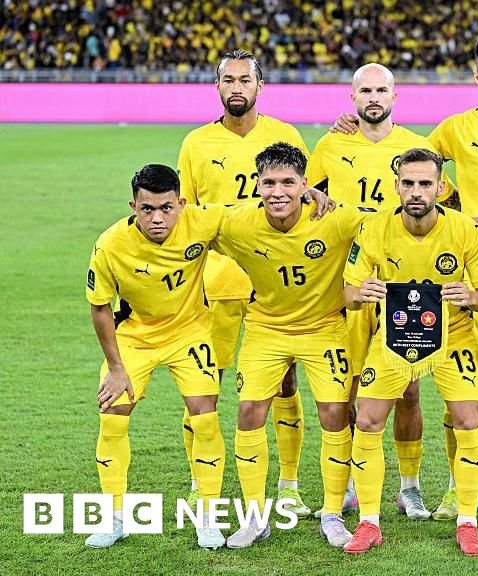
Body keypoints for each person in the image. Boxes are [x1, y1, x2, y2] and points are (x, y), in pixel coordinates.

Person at [334, 33, 478, 523]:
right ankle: (452, 488)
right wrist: (354, 125)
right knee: (455, 385)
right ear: (475, 76)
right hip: (466, 274)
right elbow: (414, 164)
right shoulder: (453, 129)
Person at [308, 62, 449, 520]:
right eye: (365, 91)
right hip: (349, 283)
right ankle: (351, 483)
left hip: (402, 286)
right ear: (352, 98)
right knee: (348, 388)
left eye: (381, 90)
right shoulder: (330, 145)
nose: (373, 98)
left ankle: (410, 487)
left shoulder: (415, 147)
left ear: (394, 96)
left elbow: (444, 208)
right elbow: (306, 195)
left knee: (408, 390)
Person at [215, 143, 370, 549]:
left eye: (288, 182)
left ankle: (332, 515)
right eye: (269, 183)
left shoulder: (334, 218)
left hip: (325, 328)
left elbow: (387, 222)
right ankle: (255, 519)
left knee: (335, 414)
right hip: (265, 329)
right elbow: (189, 221)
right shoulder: (237, 224)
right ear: (257, 185)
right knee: (249, 412)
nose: (278, 192)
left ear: (305, 184)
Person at [342, 148, 478, 556]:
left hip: (453, 337)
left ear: (441, 187)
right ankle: (369, 522)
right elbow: (348, 292)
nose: (416, 191)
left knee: (468, 419)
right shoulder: (375, 228)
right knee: (368, 419)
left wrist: (470, 296)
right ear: (396, 186)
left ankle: (467, 523)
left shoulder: (464, 230)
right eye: (408, 183)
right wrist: (361, 293)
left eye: (425, 183)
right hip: (393, 338)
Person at [176, 49, 312, 516]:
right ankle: (201, 483)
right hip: (216, 285)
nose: (237, 87)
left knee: (285, 383)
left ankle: (289, 484)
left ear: (259, 86)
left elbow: (308, 200)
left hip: (277, 285)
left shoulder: (285, 136)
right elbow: (185, 218)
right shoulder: (196, 144)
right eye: (229, 80)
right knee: (203, 385)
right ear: (217, 86)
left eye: (245, 80)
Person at [85, 164, 227, 550]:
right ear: (134, 206)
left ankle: (208, 516)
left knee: (205, 415)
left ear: (181, 203)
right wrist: (116, 368)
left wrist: (308, 196)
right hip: (136, 336)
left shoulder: (201, 221)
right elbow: (100, 308)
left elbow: (253, 214)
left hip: (189, 332)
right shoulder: (111, 244)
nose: (158, 218)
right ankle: (115, 518)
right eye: (147, 209)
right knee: (112, 414)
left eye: (166, 208)